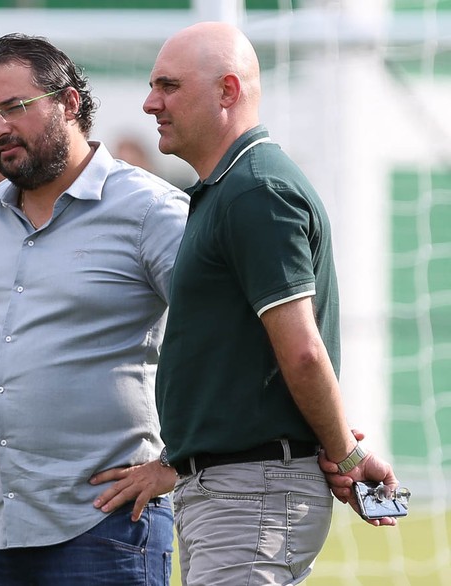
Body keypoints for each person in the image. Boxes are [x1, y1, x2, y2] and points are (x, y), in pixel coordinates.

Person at [0, 33, 188, 585]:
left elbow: (220, 334)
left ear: (68, 103)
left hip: (106, 525)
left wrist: (178, 461)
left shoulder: (150, 211)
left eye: (13, 108)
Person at [143, 22, 401, 586]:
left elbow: (303, 353)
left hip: (252, 494)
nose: (149, 102)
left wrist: (347, 456)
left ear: (227, 91)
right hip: (236, 493)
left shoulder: (255, 191)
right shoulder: (231, 189)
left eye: (168, 86)